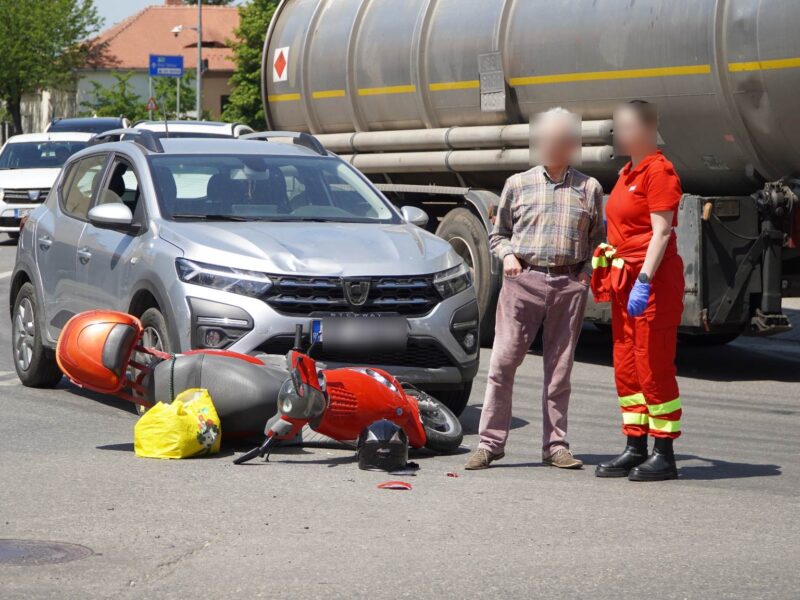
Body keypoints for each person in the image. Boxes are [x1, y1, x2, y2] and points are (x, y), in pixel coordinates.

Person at [465, 107, 605, 471]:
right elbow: (499, 235)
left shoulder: (589, 189)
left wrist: (584, 276)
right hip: (522, 282)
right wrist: (508, 255)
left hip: (567, 284)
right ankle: (490, 444)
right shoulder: (518, 184)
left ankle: (556, 446)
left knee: (559, 372)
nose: (547, 146)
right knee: (502, 364)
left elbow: (598, 242)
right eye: (543, 139)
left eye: (555, 140)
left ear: (571, 145)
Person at [593, 100, 685, 481]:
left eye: (626, 126)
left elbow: (661, 232)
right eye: (617, 126)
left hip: (652, 281)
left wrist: (644, 280)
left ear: (648, 130)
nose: (619, 133)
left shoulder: (659, 172)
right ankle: (635, 445)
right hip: (624, 279)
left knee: (653, 363)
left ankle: (664, 452)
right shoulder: (627, 171)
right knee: (627, 363)